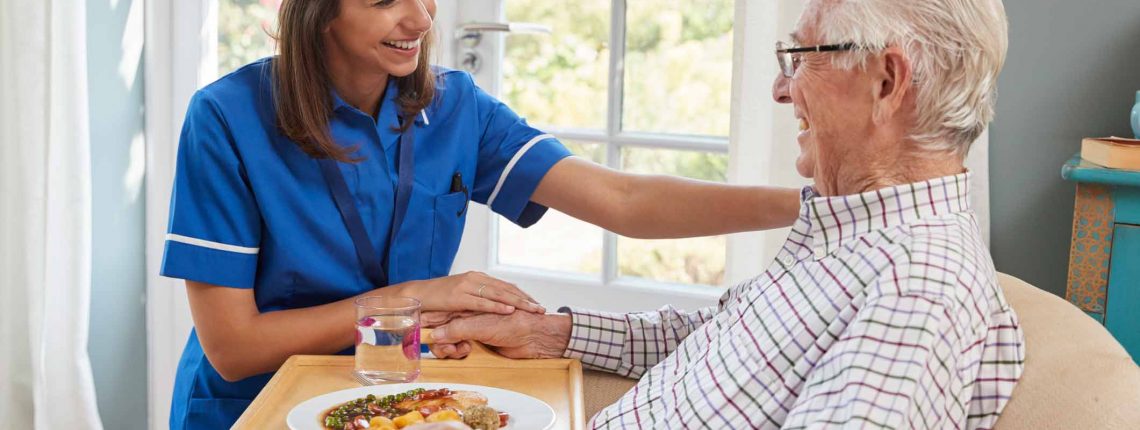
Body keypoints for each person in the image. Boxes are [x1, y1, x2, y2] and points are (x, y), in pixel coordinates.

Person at [159, 0, 800, 428]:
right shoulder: (226, 118)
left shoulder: (457, 107)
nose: (419, 16)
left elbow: (624, 201)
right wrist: (408, 296)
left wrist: (813, 203)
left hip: (396, 400)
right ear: (320, 11)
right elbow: (234, 348)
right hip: (257, 405)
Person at [428, 0, 1026, 428]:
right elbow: (726, 345)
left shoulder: (917, 287)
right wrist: (551, 332)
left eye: (800, 58)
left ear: (887, 82)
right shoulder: (855, 233)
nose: (780, 88)